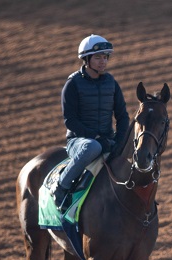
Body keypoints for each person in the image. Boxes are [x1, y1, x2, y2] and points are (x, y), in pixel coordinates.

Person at [53, 34, 129, 211]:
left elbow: (122, 116)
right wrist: (95, 137)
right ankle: (62, 186)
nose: (103, 62)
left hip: (106, 139)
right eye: (98, 57)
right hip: (79, 142)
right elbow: (70, 120)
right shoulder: (72, 84)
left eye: (105, 57)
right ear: (86, 59)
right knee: (92, 147)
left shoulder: (112, 82)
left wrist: (120, 139)